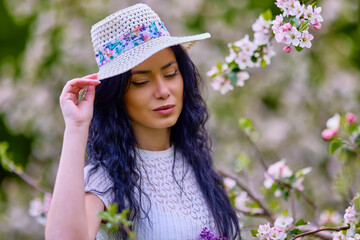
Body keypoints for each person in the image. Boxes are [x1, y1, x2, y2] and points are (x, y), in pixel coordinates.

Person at [45, 3, 240, 240]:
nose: (163, 90)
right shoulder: (105, 179)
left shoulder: (196, 162)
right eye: (141, 82)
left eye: (170, 74)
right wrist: (76, 128)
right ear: (118, 95)